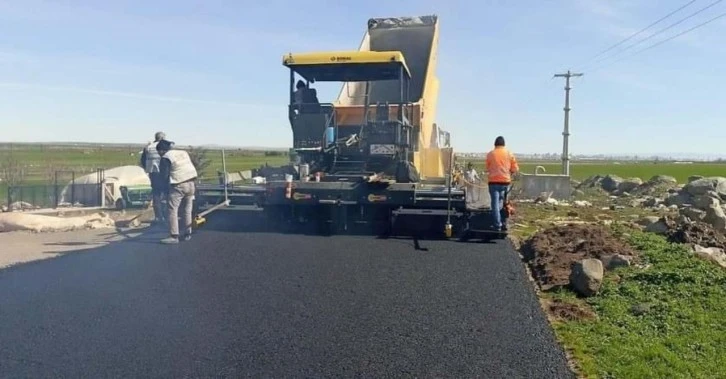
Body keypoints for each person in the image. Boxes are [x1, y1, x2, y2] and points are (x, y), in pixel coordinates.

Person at [156, 139, 198, 244]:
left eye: (159, 152)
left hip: (179, 185)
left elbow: (164, 176)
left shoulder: (166, 158)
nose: (159, 154)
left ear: (161, 150)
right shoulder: (183, 152)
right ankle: (188, 232)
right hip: (191, 183)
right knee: (187, 210)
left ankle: (174, 236)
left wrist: (163, 191)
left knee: (172, 209)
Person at [485, 136, 519, 231]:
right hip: (505, 182)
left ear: (495, 144)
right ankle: (504, 223)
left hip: (493, 183)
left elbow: (487, 168)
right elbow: (515, 168)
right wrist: (510, 172)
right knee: (504, 203)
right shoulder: (509, 154)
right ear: (504, 144)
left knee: (495, 204)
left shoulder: (490, 154)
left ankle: (497, 225)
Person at [140, 131, 167, 224]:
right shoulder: (165, 146)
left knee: (156, 195)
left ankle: (158, 217)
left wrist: (147, 168)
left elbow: (143, 160)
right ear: (163, 138)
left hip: (153, 173)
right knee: (166, 194)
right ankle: (166, 215)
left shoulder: (148, 147)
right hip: (163, 173)